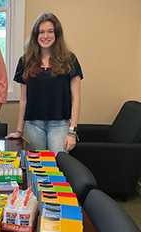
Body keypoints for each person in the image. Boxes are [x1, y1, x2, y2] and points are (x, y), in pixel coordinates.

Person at [6, 12, 83, 154]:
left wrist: (72, 131)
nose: (45, 36)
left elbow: (76, 98)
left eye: (50, 31)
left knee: (58, 166)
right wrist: (19, 131)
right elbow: (24, 100)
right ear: (36, 35)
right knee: (38, 167)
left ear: (57, 34)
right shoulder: (25, 61)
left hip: (59, 125)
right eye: (41, 32)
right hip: (34, 125)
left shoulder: (69, 60)